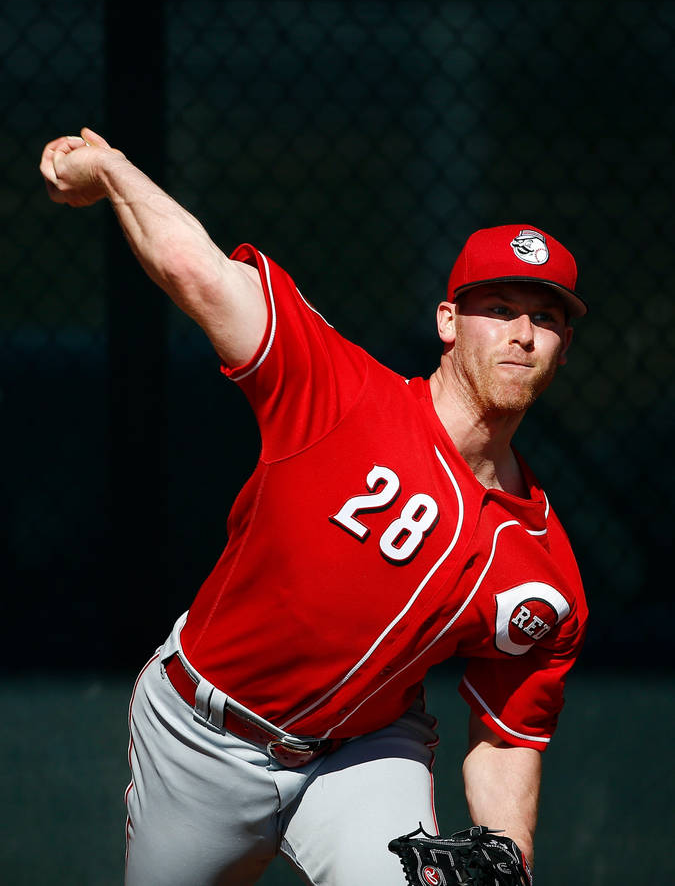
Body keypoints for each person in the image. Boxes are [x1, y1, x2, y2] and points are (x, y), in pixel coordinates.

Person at [40, 128, 589, 886]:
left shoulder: (545, 571)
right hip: (202, 737)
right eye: (497, 307)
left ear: (564, 347)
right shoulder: (341, 393)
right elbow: (198, 272)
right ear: (447, 321)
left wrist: (511, 854)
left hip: (364, 756)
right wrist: (111, 168)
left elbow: (507, 734)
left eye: (546, 318)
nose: (522, 334)